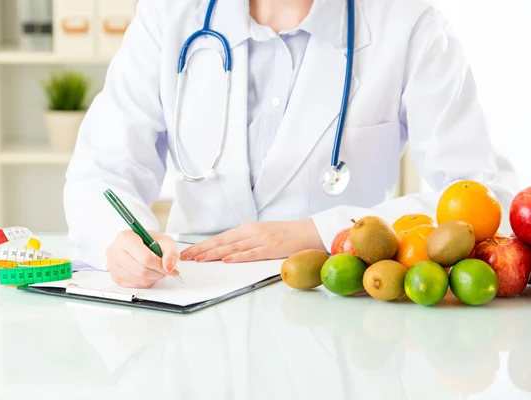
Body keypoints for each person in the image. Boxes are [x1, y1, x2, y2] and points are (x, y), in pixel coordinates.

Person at [63, 0, 517, 288]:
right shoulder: (170, 15)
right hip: (191, 288)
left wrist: (319, 231)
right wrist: (118, 241)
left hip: (339, 298)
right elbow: (102, 171)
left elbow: (484, 193)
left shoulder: (410, 24)